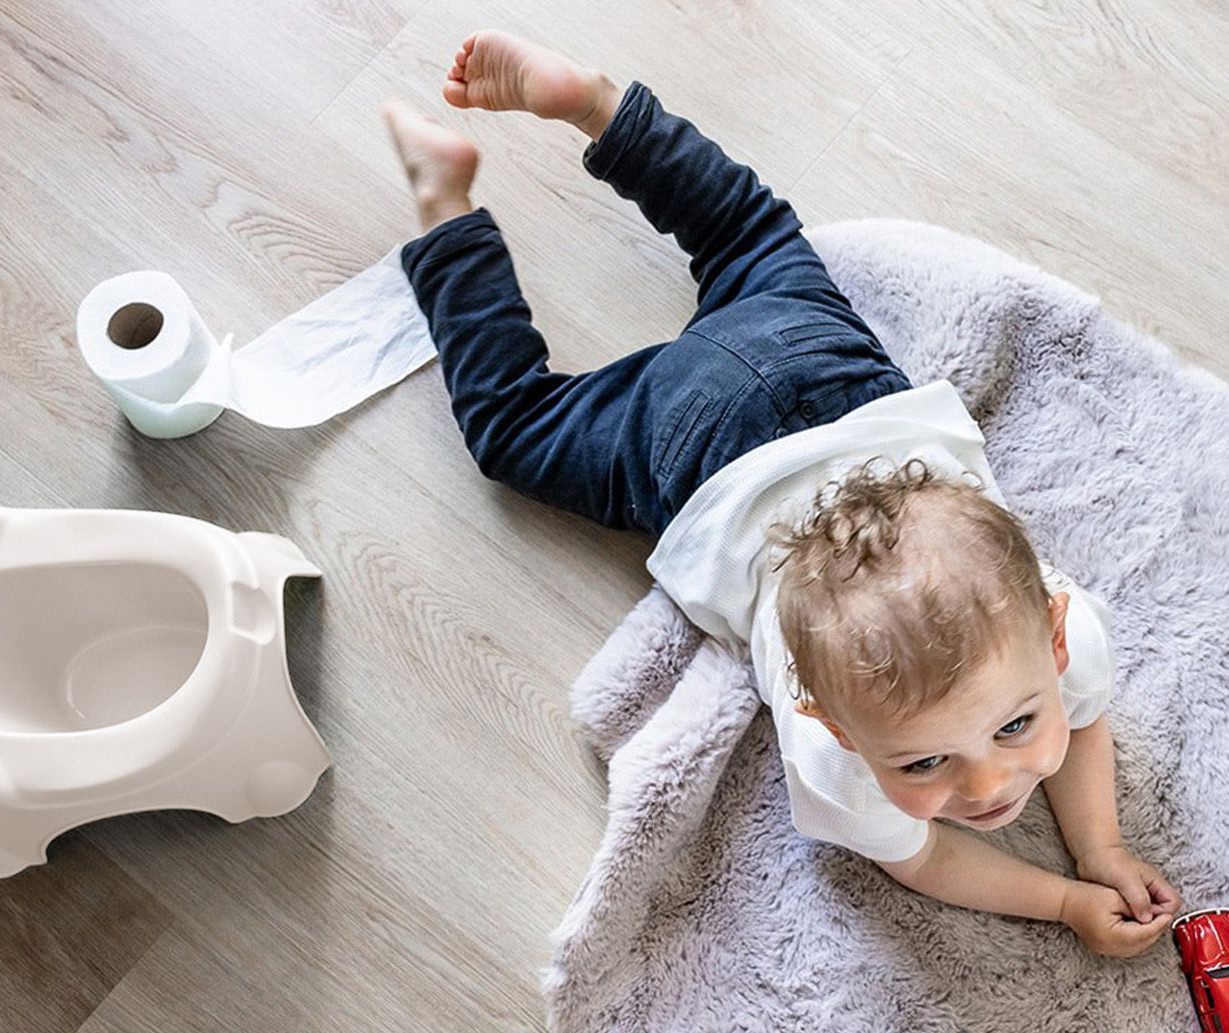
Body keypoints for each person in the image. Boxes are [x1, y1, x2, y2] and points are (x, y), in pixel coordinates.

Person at [380, 30, 1181, 958]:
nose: (987, 785)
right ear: (825, 717)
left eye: (1013, 724)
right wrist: (1069, 895)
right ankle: (475, 181)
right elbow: (928, 858)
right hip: (694, 449)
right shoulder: (839, 763)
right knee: (527, 422)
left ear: (1052, 629)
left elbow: (1071, 721)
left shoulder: (1034, 652)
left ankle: (569, 116)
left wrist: (1101, 849)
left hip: (832, 376)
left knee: (746, 233)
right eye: (921, 763)